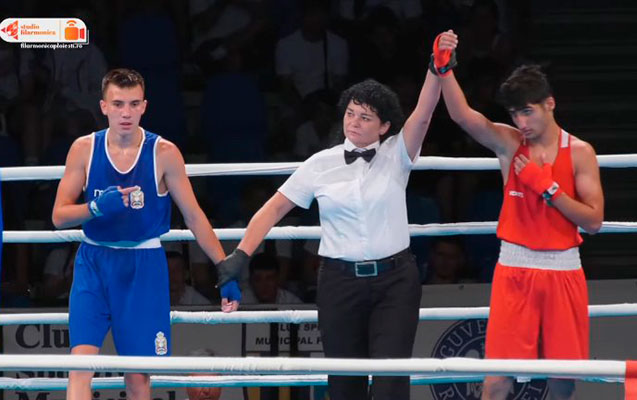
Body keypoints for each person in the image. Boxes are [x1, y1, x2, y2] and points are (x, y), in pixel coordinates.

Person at [216, 32, 455, 400]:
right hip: (339, 284)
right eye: (350, 113)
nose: (354, 122)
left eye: (365, 117)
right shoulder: (320, 164)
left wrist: (435, 69)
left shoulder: (398, 153)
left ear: (384, 126)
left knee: (391, 384)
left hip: (395, 282)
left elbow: (423, 115)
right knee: (344, 386)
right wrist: (239, 256)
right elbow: (273, 208)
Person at [433, 31, 604, 400]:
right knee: (496, 381)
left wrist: (547, 188)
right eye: (514, 113)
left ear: (549, 104)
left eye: (527, 111)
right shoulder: (510, 144)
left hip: (563, 270)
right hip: (515, 269)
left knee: (563, 381)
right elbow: (463, 116)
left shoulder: (580, 153)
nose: (521, 121)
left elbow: (593, 222)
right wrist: (444, 70)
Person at [51, 68, 241, 400]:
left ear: (144, 106)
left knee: (138, 377)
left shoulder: (164, 153)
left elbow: (194, 216)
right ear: (104, 106)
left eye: (133, 104)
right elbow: (59, 216)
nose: (126, 112)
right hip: (94, 262)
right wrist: (95, 208)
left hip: (143, 265)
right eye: (118, 104)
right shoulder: (84, 149)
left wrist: (224, 268)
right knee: (80, 367)